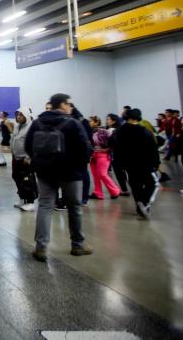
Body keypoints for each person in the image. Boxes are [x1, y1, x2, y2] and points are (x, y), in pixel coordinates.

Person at [26, 93, 93, 261]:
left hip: (45, 172)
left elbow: (28, 146)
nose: (71, 107)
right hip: (71, 173)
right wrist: (79, 166)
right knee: (74, 207)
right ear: (62, 105)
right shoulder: (73, 124)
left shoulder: (37, 123)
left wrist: (40, 161)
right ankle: (77, 244)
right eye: (69, 104)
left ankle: (41, 247)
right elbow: (85, 149)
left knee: (45, 206)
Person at [112, 108, 161, 219]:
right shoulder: (144, 131)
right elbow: (153, 148)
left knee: (136, 185)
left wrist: (119, 164)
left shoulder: (119, 131)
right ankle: (144, 203)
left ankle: (140, 210)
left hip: (129, 164)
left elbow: (116, 148)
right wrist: (156, 163)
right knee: (153, 183)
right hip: (145, 163)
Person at [87, 116, 121, 201]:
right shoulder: (89, 131)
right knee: (95, 175)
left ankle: (115, 191)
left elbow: (114, 142)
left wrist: (106, 149)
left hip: (103, 155)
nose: (89, 122)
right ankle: (98, 193)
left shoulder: (103, 131)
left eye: (91, 121)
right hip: (93, 156)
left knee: (102, 174)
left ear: (96, 122)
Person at [11, 108, 37, 212]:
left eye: (21, 115)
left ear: (26, 115)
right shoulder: (17, 127)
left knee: (27, 180)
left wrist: (28, 157)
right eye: (17, 115)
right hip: (16, 157)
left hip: (25, 159)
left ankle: (30, 202)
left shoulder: (31, 127)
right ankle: (22, 198)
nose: (19, 117)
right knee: (17, 177)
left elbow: (33, 143)